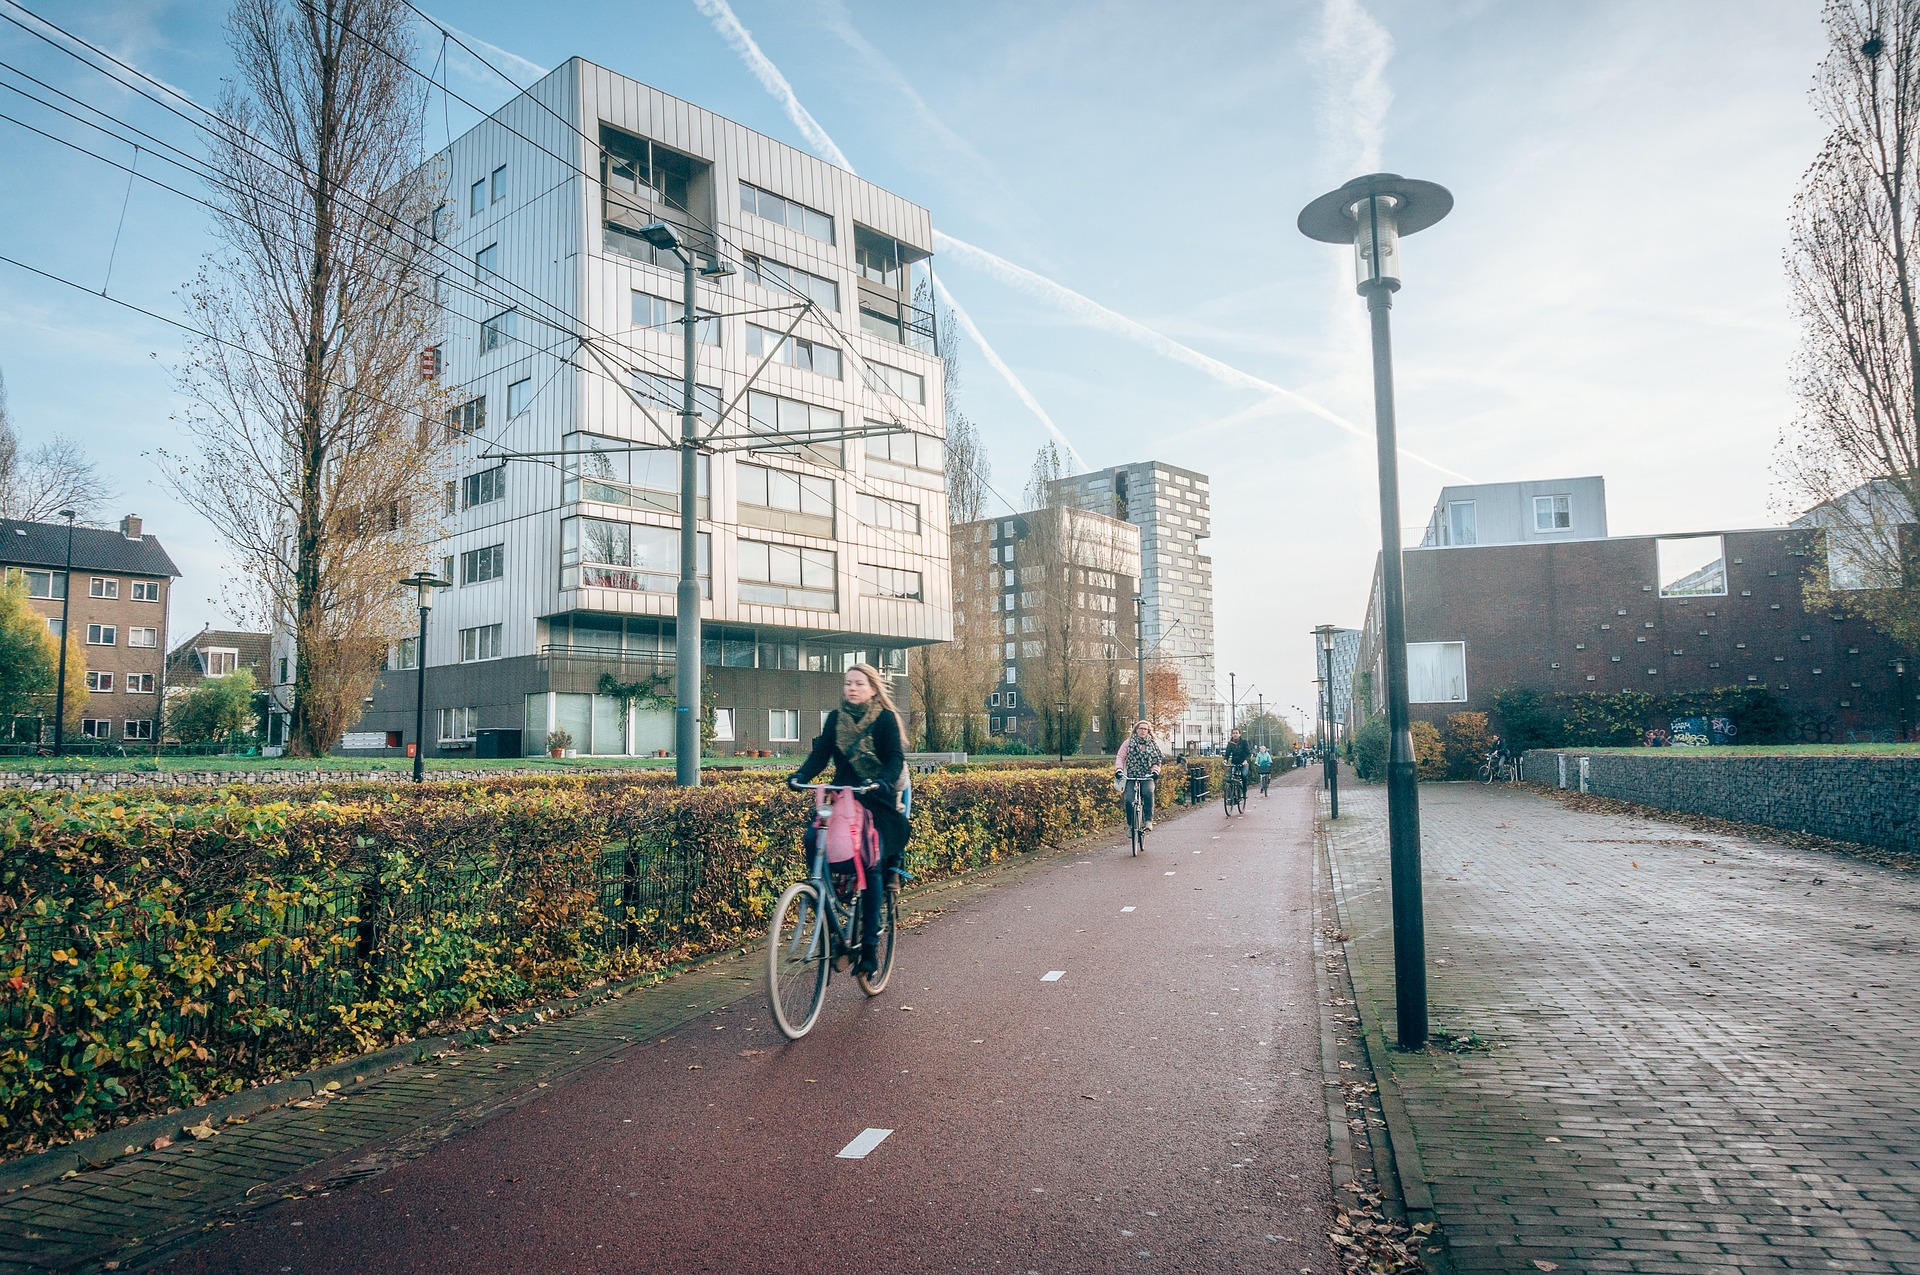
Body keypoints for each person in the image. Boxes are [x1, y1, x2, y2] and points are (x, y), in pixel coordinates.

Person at [788, 664, 911, 977]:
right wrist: (802, 775)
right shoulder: (834, 719)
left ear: (872, 688)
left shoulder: (884, 719)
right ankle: (833, 929)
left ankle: (869, 948)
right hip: (843, 798)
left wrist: (883, 781)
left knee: (870, 862)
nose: (852, 688)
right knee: (813, 839)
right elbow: (821, 756)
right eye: (847, 683)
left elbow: (896, 758)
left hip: (875, 799)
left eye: (858, 683)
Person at [1114, 720, 1164, 831]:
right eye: (1140, 728)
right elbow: (1120, 757)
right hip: (1131, 775)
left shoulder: (1153, 745)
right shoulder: (1128, 743)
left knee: (1148, 792)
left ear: (1148, 731)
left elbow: (1157, 761)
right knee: (1129, 799)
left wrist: (1155, 771)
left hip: (1147, 776)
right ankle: (1131, 825)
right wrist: (1119, 770)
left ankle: (1148, 820)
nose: (1142, 731)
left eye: (1145, 729)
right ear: (1136, 730)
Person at [1223, 728, 1253, 799]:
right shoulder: (1230, 743)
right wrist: (1225, 760)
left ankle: (1244, 791)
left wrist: (1246, 761)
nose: (1235, 734)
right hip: (1234, 762)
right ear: (1232, 734)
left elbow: (1248, 753)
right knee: (1230, 777)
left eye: (1236, 733)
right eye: (1233, 733)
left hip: (1243, 762)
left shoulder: (1244, 742)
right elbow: (1227, 754)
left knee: (1244, 775)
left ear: (1239, 734)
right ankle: (1229, 794)